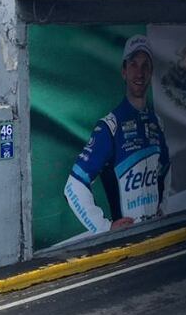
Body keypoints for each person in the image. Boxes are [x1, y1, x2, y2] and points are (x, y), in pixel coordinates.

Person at [64, 35, 170, 234]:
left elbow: (165, 168)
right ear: (124, 71)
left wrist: (163, 207)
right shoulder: (110, 126)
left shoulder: (157, 123)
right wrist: (104, 228)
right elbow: (73, 187)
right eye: (133, 65)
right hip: (127, 241)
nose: (140, 72)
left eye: (145, 65)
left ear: (151, 72)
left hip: (156, 233)